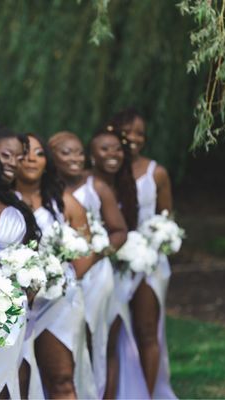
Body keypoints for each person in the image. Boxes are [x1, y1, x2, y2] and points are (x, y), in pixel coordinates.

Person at [16, 133, 97, 399]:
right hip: (16, 304)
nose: (31, 158)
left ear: (46, 162)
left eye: (39, 153)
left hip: (57, 302)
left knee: (61, 377)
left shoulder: (62, 201)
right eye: (24, 152)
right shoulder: (1, 202)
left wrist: (60, 279)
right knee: (19, 380)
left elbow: (86, 249)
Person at [48, 131, 128, 398]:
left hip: (95, 274)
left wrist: (93, 252)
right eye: (66, 152)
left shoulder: (97, 187)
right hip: (61, 277)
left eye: (79, 152)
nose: (75, 158)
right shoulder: (47, 190)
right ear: (52, 158)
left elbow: (119, 231)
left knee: (98, 338)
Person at [111, 108, 176, 398]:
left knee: (147, 327)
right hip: (114, 259)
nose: (133, 138)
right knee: (113, 330)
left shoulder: (156, 173)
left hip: (149, 262)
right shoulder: (107, 168)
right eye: (128, 131)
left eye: (140, 132)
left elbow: (166, 217)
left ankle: (148, 393)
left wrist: (159, 241)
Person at [89, 124, 150, 398]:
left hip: (119, 272)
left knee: (110, 341)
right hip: (90, 270)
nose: (112, 154)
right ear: (92, 155)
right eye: (105, 149)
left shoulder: (125, 185)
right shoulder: (86, 187)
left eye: (117, 149)